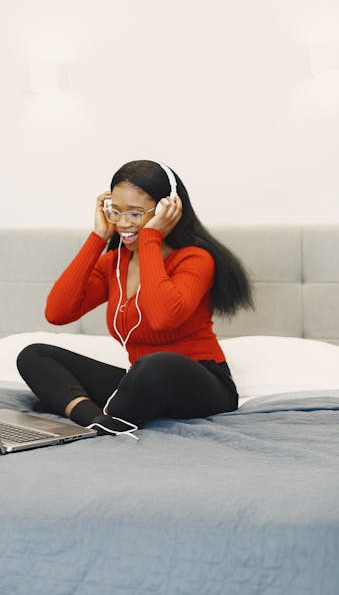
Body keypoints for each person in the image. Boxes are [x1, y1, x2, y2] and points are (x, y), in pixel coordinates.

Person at [17, 159, 254, 437]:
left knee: (156, 363)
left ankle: (114, 414)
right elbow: (57, 313)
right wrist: (97, 238)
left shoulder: (195, 259)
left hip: (201, 385)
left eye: (135, 213)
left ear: (168, 210)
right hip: (140, 383)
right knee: (34, 355)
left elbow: (162, 318)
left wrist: (150, 238)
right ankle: (98, 420)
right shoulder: (114, 263)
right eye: (115, 212)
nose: (123, 223)